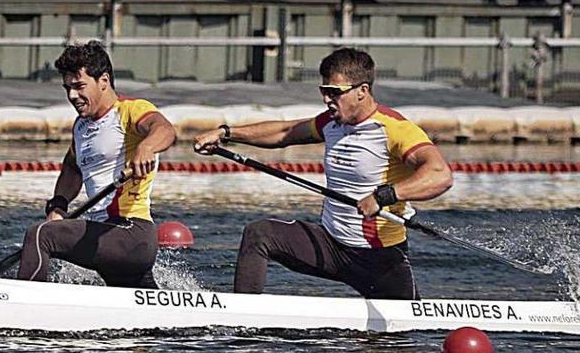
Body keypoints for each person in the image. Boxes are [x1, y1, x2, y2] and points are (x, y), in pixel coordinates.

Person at [193, 47, 452, 299]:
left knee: (393, 342)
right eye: (323, 91)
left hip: (378, 257)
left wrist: (385, 196)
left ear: (362, 91)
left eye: (334, 92)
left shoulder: (395, 129)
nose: (327, 99)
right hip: (330, 245)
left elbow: (440, 175)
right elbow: (284, 133)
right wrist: (226, 133)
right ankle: (240, 321)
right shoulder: (331, 123)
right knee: (258, 234)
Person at [18, 41, 176, 288]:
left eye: (79, 86)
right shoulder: (81, 126)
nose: (72, 96)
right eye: (67, 88)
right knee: (147, 316)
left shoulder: (131, 110)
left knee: (40, 235)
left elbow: (164, 130)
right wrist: (58, 205)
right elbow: (72, 167)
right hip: (105, 236)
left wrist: (146, 148)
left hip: (130, 234)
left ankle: (23, 307)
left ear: (103, 80)